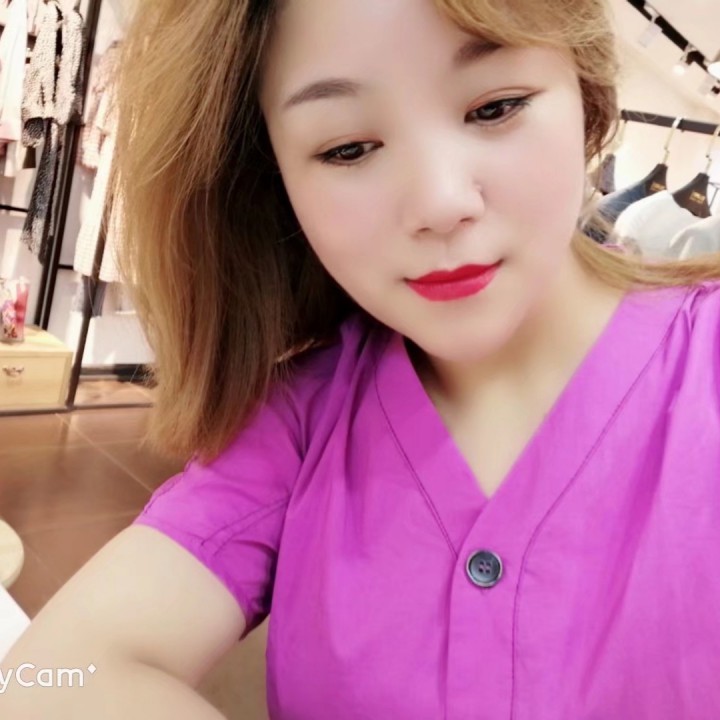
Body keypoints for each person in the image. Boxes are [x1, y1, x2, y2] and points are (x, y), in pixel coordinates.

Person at [3, 0, 720, 717]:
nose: (440, 202)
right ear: (276, 183)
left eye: (495, 107)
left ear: (586, 93)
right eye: (347, 149)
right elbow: (44, 679)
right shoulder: (298, 422)